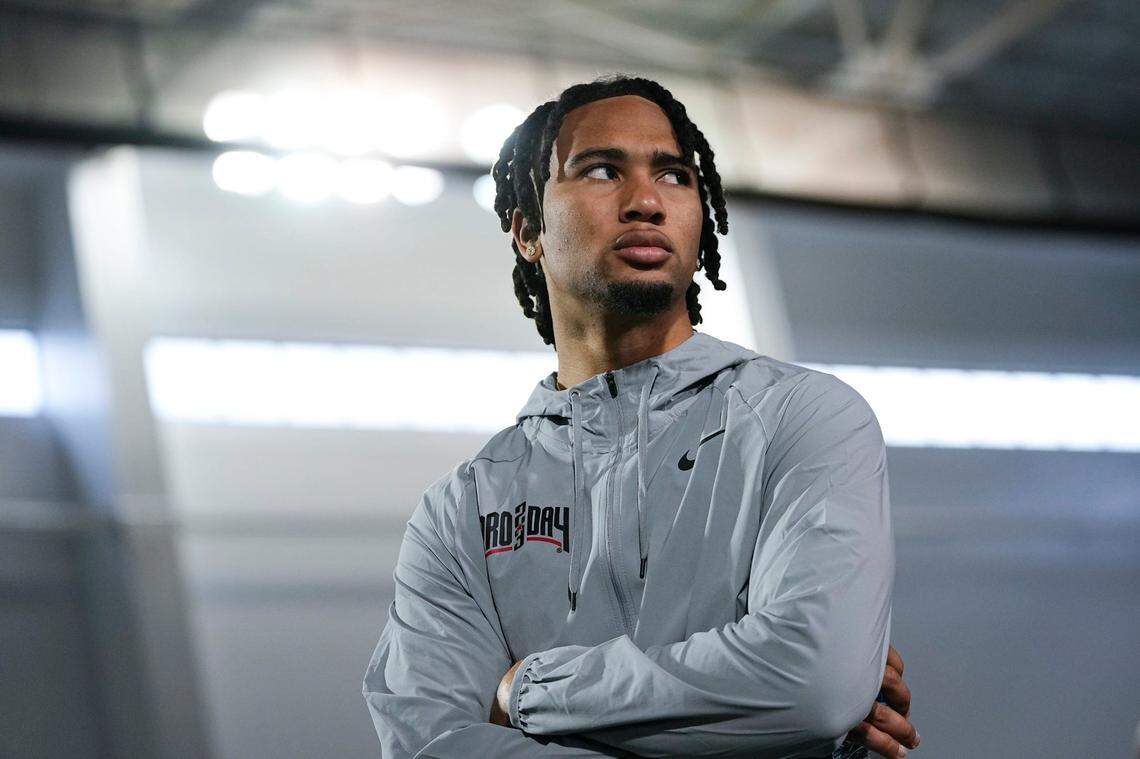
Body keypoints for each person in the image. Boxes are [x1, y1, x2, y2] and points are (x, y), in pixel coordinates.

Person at [362, 73, 921, 758]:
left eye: (674, 175)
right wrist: (748, 727)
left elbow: (812, 684)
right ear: (529, 230)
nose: (647, 202)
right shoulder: (461, 510)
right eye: (602, 170)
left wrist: (525, 693)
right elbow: (433, 747)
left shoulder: (803, 417)